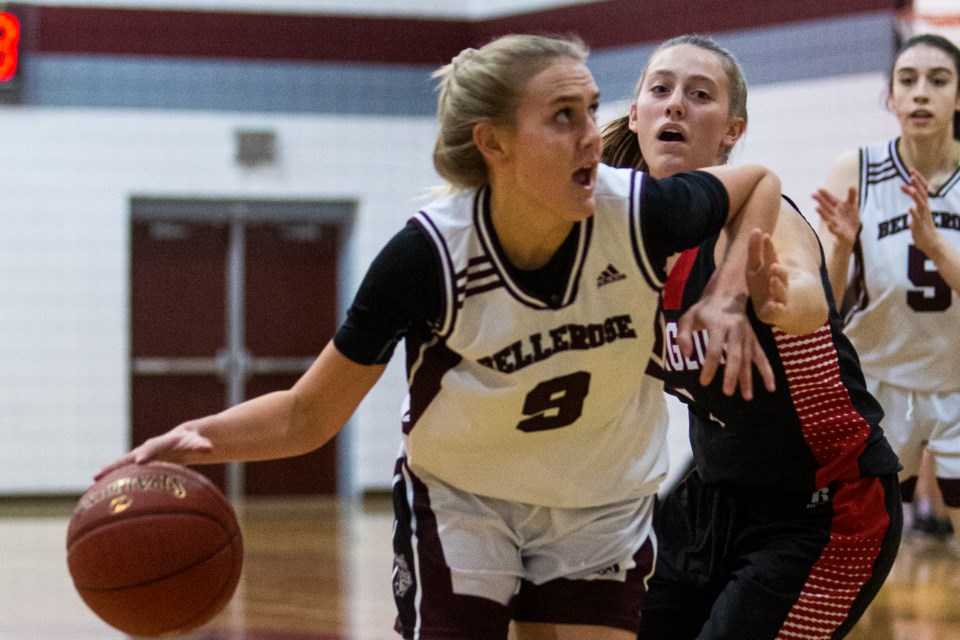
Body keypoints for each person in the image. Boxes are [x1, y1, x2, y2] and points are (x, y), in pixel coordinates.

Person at [97, 34, 781, 639]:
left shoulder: (636, 214)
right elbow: (311, 412)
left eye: (589, 108)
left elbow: (759, 181)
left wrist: (726, 299)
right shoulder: (430, 256)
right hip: (465, 502)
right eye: (561, 117)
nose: (591, 136)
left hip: (599, 501)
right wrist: (197, 440)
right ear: (494, 142)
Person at [602, 34, 903, 639]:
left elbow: (806, 301)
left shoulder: (759, 218)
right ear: (636, 115)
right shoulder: (619, 235)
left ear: (732, 130)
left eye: (700, 94)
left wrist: (776, 301)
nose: (676, 105)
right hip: (709, 498)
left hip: (827, 505)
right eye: (660, 90)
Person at [813, 33, 960, 556]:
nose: (921, 93)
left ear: (959, 96)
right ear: (891, 98)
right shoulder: (857, 170)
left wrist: (936, 246)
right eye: (908, 80)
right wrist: (841, 247)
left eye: (938, 81)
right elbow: (824, 305)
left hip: (957, 381)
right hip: (879, 382)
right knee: (870, 546)